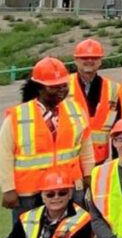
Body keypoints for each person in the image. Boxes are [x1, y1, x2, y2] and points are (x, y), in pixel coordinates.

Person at [2, 57, 92, 220]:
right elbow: (4, 154)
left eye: (64, 85)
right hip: (29, 192)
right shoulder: (17, 116)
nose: (61, 90)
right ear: (39, 87)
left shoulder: (76, 110)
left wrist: (88, 176)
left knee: (70, 235)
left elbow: (85, 147)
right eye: (54, 87)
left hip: (68, 187)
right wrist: (8, 188)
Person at [67, 38, 122, 164]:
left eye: (94, 58)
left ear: (100, 61)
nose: (89, 61)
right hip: (71, 158)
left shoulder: (114, 89)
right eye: (84, 58)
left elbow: (118, 128)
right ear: (76, 60)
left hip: (99, 159)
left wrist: (117, 159)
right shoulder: (63, 86)